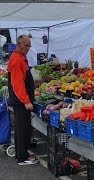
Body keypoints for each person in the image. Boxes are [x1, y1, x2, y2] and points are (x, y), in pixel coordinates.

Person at [7, 35, 38, 165]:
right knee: (22, 129)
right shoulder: (16, 60)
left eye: (30, 45)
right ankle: (22, 158)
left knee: (22, 128)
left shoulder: (21, 57)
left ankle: (21, 154)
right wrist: (26, 101)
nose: (29, 48)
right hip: (20, 102)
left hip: (21, 101)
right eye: (26, 45)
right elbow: (17, 84)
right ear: (19, 44)